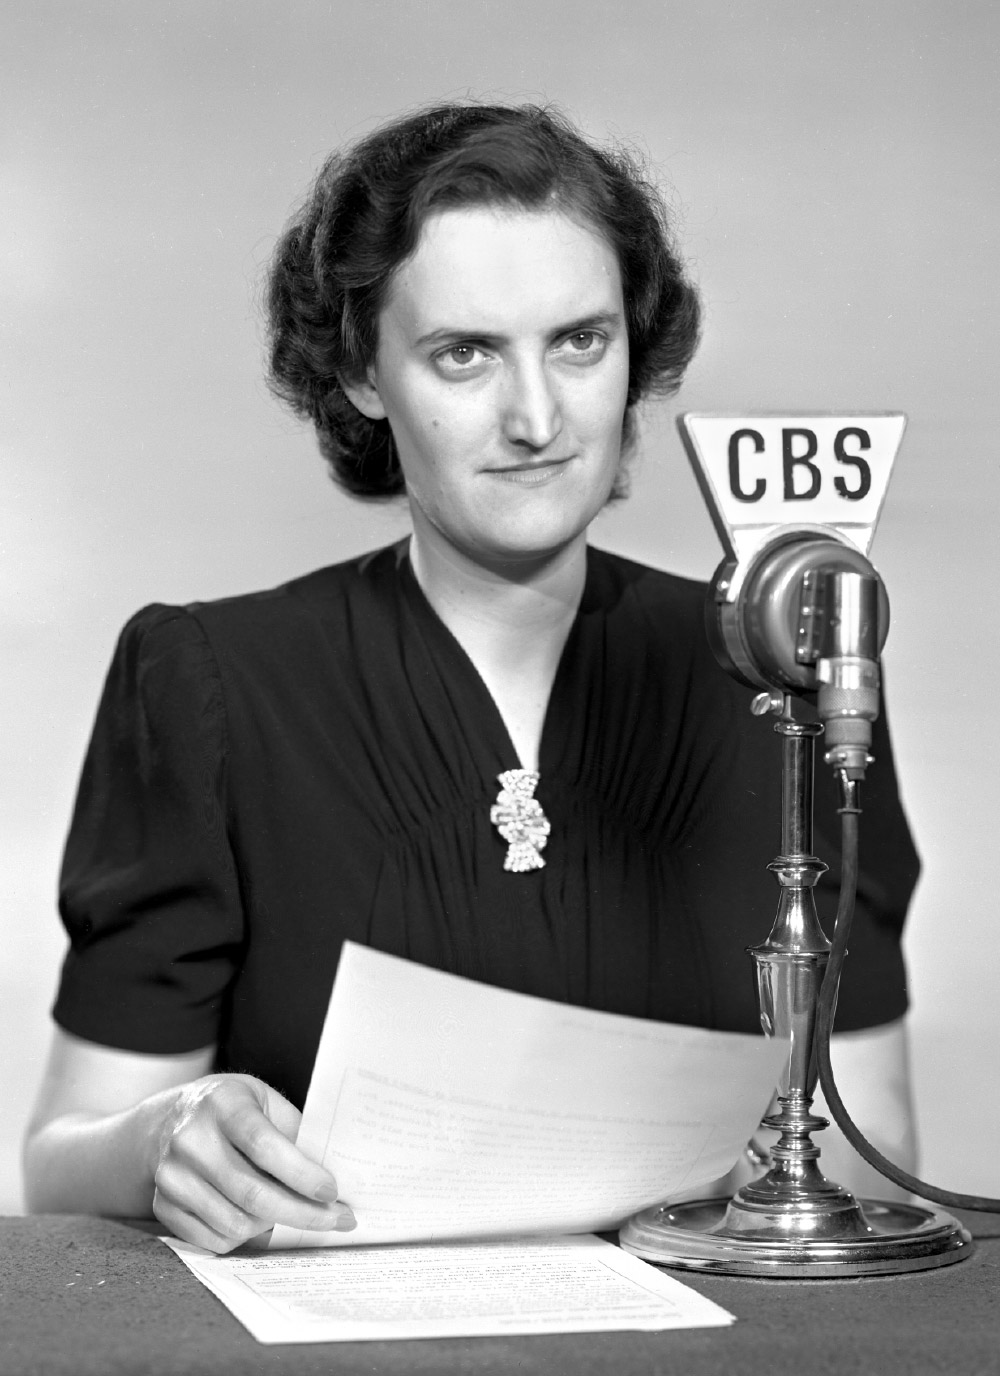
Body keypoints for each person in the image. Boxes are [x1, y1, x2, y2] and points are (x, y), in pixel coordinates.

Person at [23, 103, 921, 1253]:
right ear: (358, 371)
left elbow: (874, 1141)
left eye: (579, 342)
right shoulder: (207, 682)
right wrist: (164, 1136)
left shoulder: (798, 666)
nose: (536, 418)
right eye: (465, 353)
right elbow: (59, 1166)